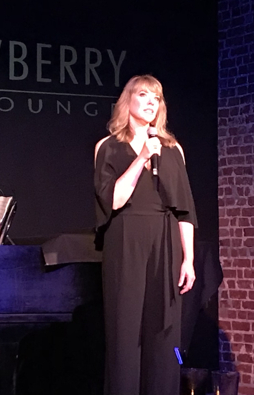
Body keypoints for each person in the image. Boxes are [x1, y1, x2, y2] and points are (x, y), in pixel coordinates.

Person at [94, 75, 197, 395]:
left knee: (164, 334)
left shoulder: (172, 148)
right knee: (125, 333)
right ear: (128, 101)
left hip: (165, 241)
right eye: (144, 95)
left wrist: (189, 259)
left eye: (157, 97)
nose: (152, 102)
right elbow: (113, 200)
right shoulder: (107, 147)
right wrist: (141, 158)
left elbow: (185, 211)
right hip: (125, 240)